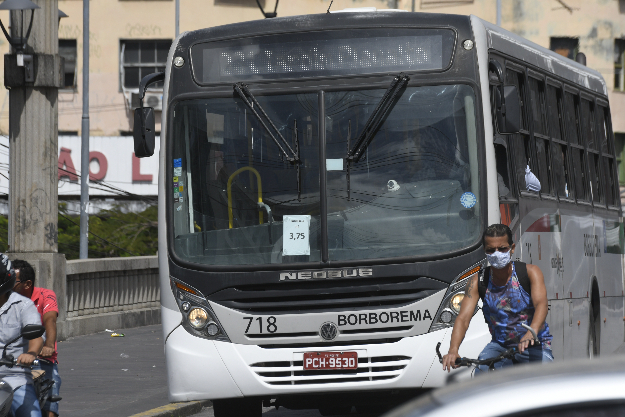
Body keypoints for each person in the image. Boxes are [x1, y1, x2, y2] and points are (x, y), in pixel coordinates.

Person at [442, 224, 553, 373]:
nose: (496, 253)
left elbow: (541, 305)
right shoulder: (478, 281)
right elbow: (463, 318)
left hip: (534, 344)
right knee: (481, 373)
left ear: (512, 249)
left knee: (545, 377)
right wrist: (453, 350)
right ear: (485, 252)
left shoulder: (530, 272)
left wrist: (530, 332)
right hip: (500, 346)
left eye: (502, 249)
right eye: (491, 250)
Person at [12, 260, 61, 417]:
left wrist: (49, 345)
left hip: (40, 358)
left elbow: (50, 320)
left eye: (13, 281)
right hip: (11, 358)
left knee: (49, 405)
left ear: (27, 284)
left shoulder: (45, 296)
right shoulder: (5, 300)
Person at [0, 254, 43, 417]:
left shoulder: (23, 305)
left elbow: (36, 336)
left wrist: (31, 354)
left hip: (14, 377)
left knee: (31, 415)